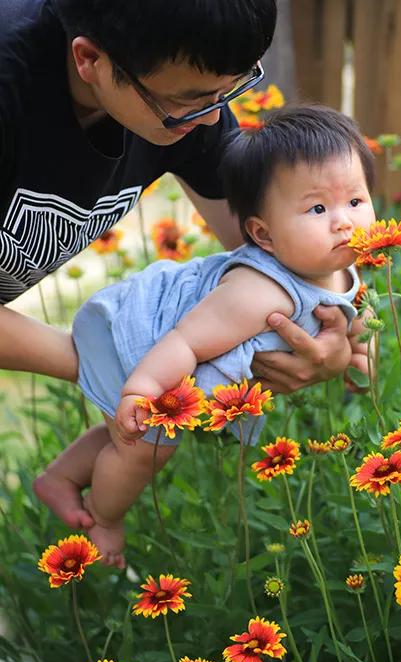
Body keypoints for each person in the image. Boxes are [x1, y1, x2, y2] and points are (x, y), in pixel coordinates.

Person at [0, 0, 367, 396]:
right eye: (187, 101)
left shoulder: (185, 86)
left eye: (228, 91)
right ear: (89, 59)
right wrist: (122, 361)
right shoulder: (13, 87)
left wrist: (328, 320)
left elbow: (270, 243)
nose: (213, 121)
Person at [34, 105, 377, 567]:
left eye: (355, 201)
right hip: (145, 343)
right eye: (317, 208)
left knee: (124, 435)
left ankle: (60, 476)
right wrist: (142, 390)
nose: (343, 222)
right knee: (144, 446)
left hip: (169, 350)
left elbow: (357, 313)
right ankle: (103, 518)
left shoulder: (338, 265)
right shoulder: (259, 294)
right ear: (263, 234)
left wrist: (360, 357)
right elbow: (186, 343)